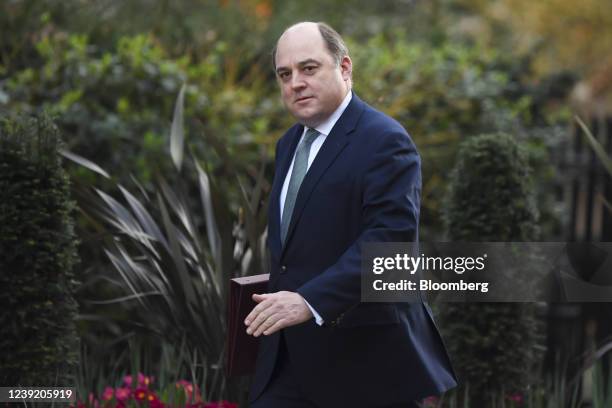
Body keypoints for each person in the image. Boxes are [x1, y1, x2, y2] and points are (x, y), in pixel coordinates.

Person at [244, 21, 457, 408]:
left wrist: (308, 301)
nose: (295, 83)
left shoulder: (385, 140)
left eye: (309, 69)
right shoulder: (288, 144)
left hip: (364, 366)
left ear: (344, 68)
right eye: (284, 74)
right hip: (289, 362)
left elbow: (389, 244)